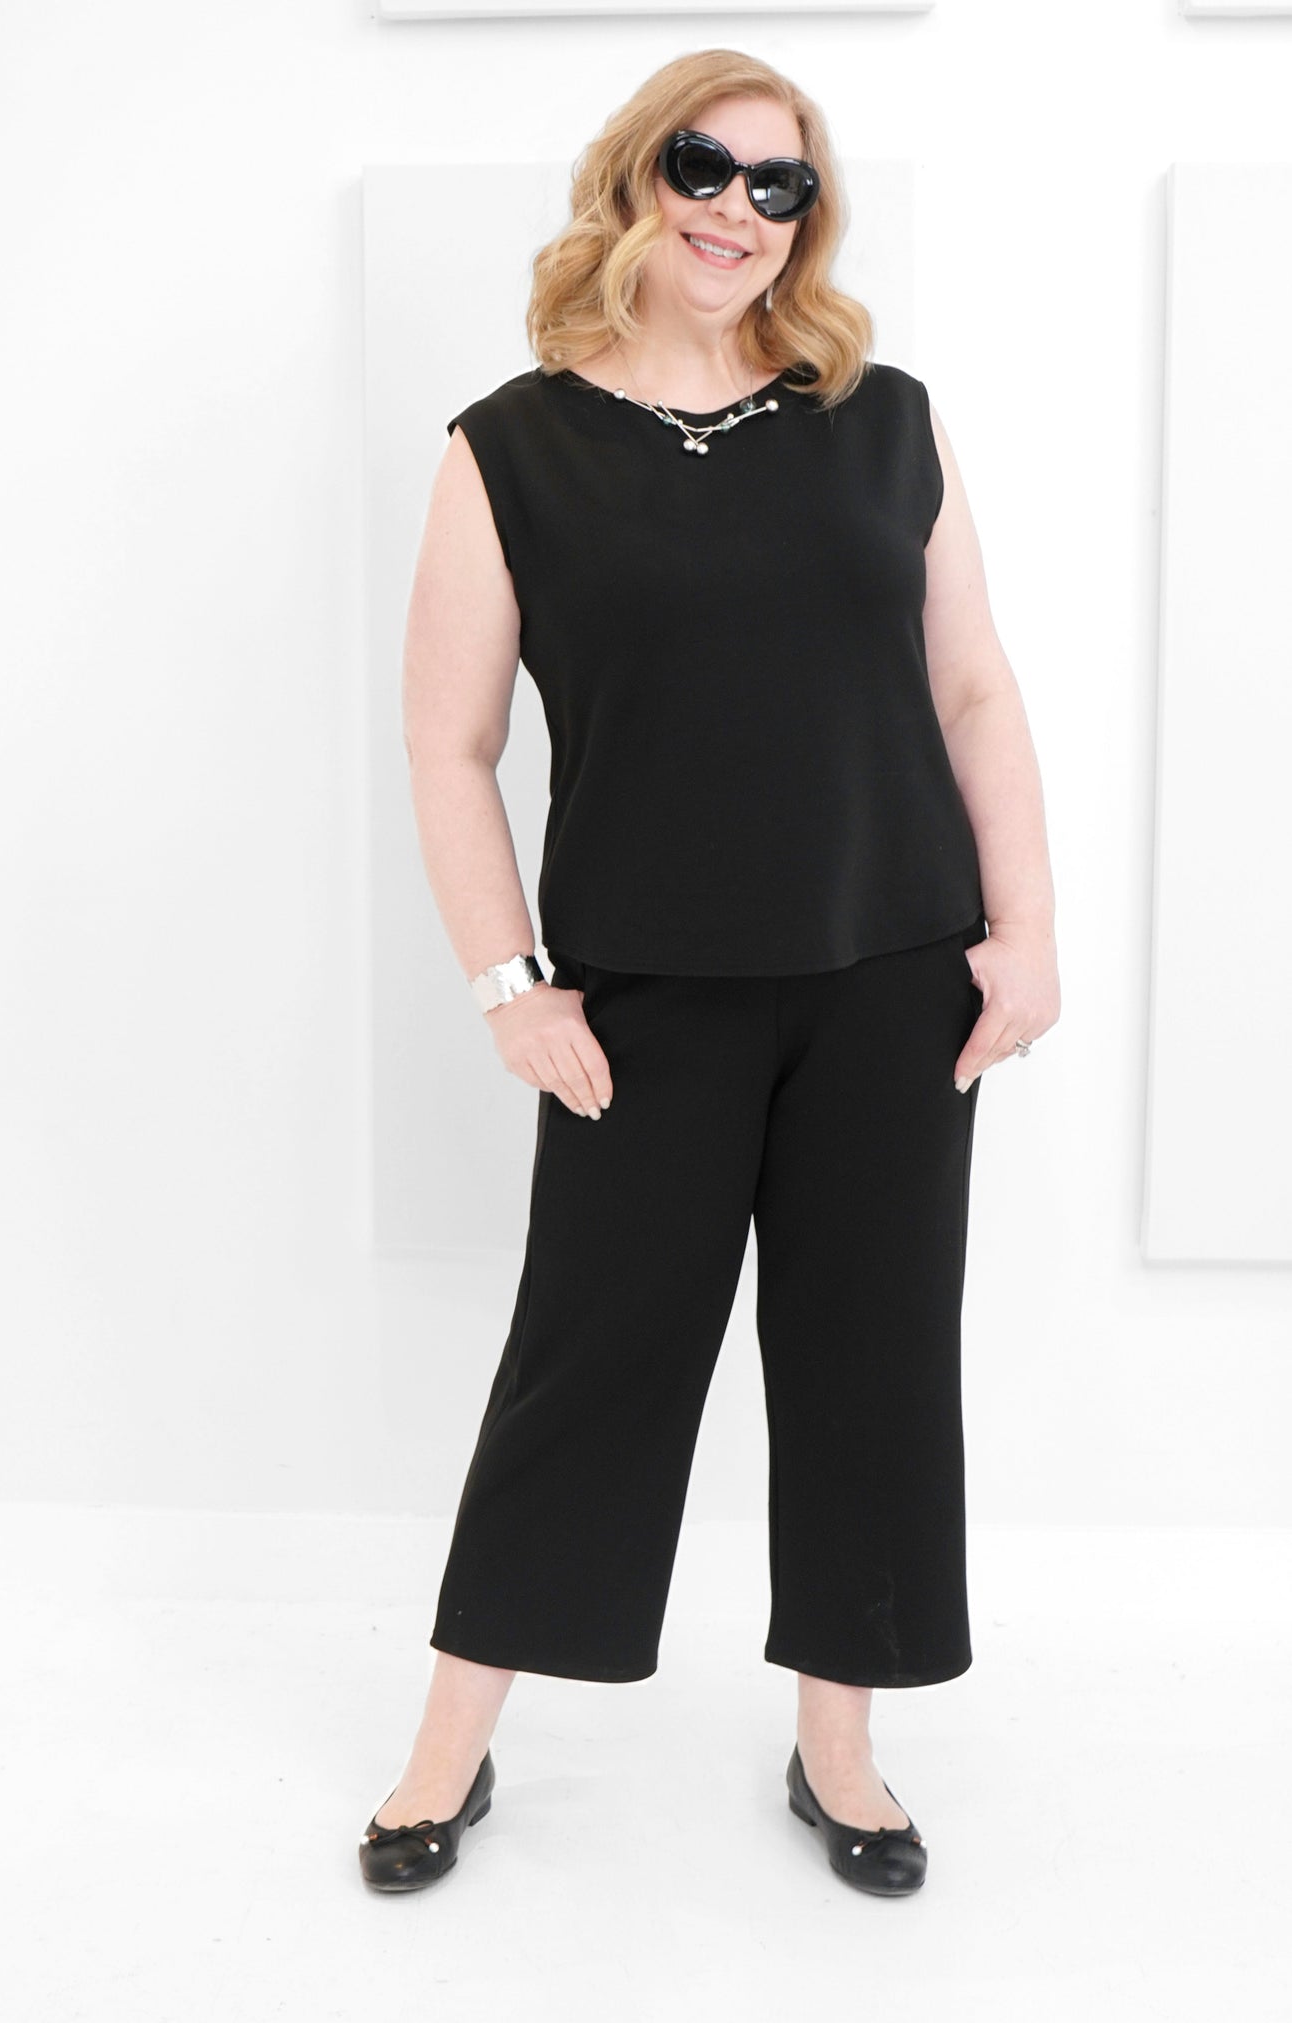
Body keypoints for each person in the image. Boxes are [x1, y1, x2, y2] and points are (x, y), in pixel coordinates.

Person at [359, 46, 1059, 1898]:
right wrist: (508, 983)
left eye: (779, 185)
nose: (738, 210)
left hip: (892, 977)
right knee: (585, 1366)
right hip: (641, 1000)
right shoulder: (510, 448)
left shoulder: (884, 420)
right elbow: (446, 741)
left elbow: (972, 688)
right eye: (704, 165)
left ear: (805, 220)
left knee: (872, 1365)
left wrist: (1025, 931)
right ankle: (446, 1751)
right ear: (634, 176)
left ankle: (841, 1750)